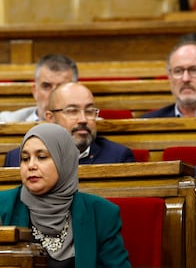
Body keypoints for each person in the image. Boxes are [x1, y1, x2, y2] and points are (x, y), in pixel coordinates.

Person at [0, 123, 131, 267]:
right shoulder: (3, 207)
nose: (31, 165)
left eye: (42, 157)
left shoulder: (101, 213)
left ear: (64, 160)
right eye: (25, 158)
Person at [4, 82, 135, 167]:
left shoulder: (118, 157)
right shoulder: (18, 159)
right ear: (51, 118)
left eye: (89, 111)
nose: (83, 119)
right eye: (72, 111)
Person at [140, 41, 196, 118]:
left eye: (194, 70)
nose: (185, 78)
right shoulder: (150, 122)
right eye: (178, 71)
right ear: (169, 76)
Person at [0, 54, 78, 122]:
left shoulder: (85, 125)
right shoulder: (7, 121)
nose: (53, 95)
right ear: (35, 91)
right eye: (46, 86)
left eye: (61, 87)